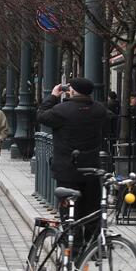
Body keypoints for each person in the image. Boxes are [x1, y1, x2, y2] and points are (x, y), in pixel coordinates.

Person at [37, 78, 108, 244]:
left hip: (67, 171)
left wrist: (53, 96)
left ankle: (73, 249)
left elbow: (41, 115)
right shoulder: (99, 110)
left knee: (70, 212)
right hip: (91, 169)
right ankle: (92, 247)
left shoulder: (62, 110)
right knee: (91, 210)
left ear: (73, 91)